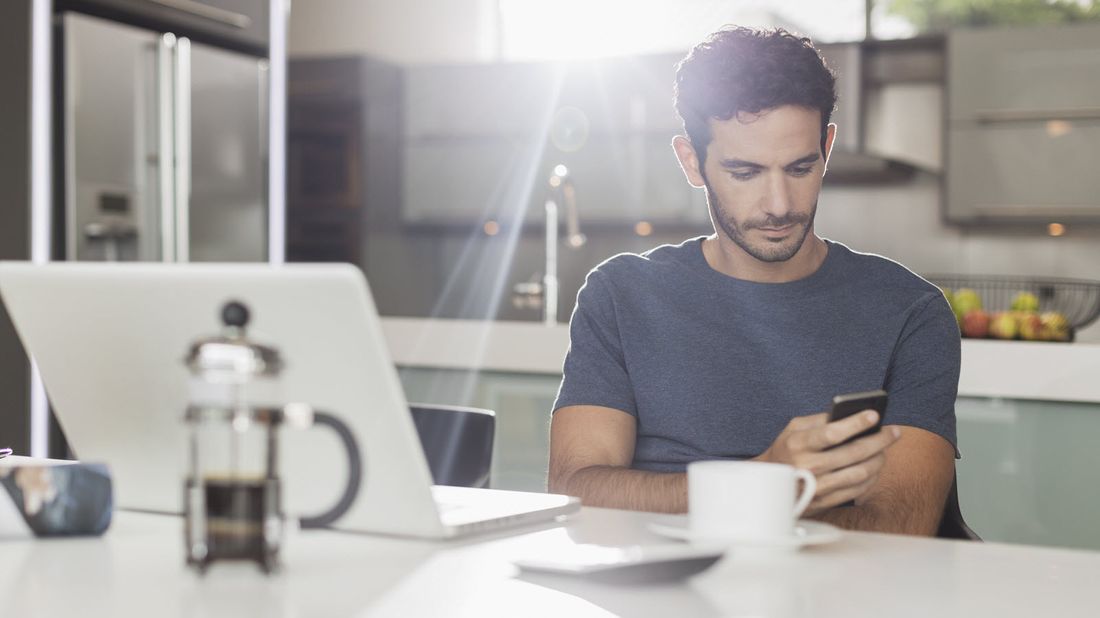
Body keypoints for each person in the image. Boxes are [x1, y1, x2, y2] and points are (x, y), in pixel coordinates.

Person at [547, 26, 960, 535]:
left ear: (827, 147)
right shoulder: (621, 296)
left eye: (801, 167)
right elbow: (576, 491)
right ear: (691, 161)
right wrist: (763, 482)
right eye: (745, 172)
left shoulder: (909, 311)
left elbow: (901, 528)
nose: (780, 204)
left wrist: (725, 498)